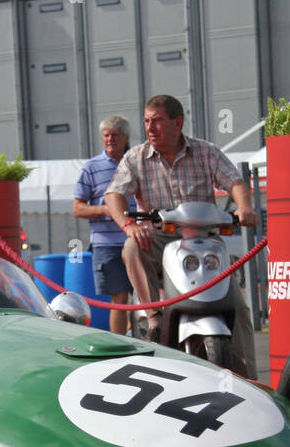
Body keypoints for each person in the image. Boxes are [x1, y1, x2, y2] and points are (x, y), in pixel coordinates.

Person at [104, 94, 258, 377]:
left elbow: (234, 181)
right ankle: (153, 318)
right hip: (158, 239)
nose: (150, 128)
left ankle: (251, 380)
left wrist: (245, 207)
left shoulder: (206, 151)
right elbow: (114, 194)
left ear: (178, 122)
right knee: (130, 247)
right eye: (147, 122)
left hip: (205, 241)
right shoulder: (136, 157)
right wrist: (129, 224)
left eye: (158, 121)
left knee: (238, 308)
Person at [73, 115, 132, 335]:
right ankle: (121, 343)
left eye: (115, 135)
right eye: (106, 135)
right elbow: (78, 208)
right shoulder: (91, 167)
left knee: (150, 295)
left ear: (126, 137)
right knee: (119, 297)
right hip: (107, 243)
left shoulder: (138, 162)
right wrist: (107, 210)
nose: (109, 139)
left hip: (139, 238)